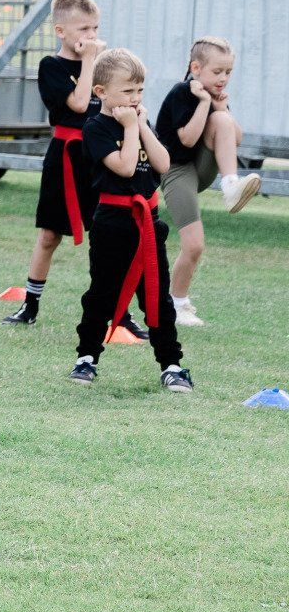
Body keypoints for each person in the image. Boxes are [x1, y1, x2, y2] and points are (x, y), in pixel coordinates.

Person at [2, 0, 142, 337]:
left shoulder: (104, 67)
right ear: (61, 31)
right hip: (65, 157)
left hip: (101, 156)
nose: (91, 37)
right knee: (50, 235)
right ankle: (30, 305)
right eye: (83, 29)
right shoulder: (51, 66)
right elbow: (79, 104)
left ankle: (121, 314)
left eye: (95, 28)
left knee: (113, 235)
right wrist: (90, 59)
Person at [70, 49, 191, 392]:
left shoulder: (138, 121)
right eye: (127, 91)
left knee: (156, 297)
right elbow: (124, 167)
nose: (135, 98)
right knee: (101, 295)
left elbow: (164, 164)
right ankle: (86, 358)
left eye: (139, 90)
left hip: (148, 223)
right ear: (101, 93)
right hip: (112, 222)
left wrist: (140, 126)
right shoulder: (96, 127)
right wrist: (128, 126)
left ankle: (171, 364)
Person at [154, 36, 263, 326]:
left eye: (228, 72)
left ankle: (230, 186)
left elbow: (235, 138)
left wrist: (221, 108)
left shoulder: (216, 95)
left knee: (223, 122)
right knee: (194, 245)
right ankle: (177, 304)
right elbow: (187, 139)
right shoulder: (182, 92)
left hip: (201, 165)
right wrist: (205, 103)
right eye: (217, 72)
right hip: (176, 169)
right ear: (196, 67)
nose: (224, 78)